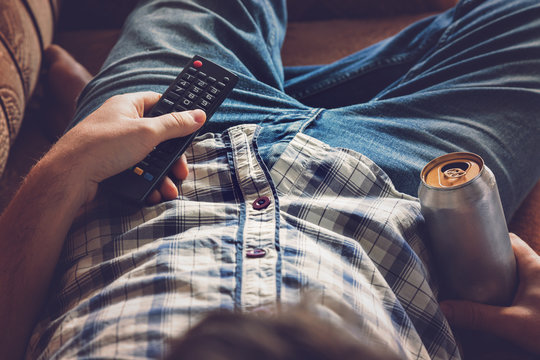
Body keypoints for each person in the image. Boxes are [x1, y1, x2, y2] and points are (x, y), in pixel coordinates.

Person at [0, 0, 539, 358]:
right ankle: (287, 92)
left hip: (153, 155)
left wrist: (69, 165)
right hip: (398, 193)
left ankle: (98, 101)